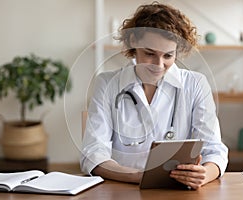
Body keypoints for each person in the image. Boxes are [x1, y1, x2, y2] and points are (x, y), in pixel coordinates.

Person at [81, 2, 228, 190]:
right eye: (149, 53)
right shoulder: (107, 84)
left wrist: (204, 174)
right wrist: (140, 176)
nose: (158, 65)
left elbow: (214, 150)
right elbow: (93, 154)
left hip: (178, 191)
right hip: (123, 189)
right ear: (133, 42)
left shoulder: (196, 84)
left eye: (168, 56)